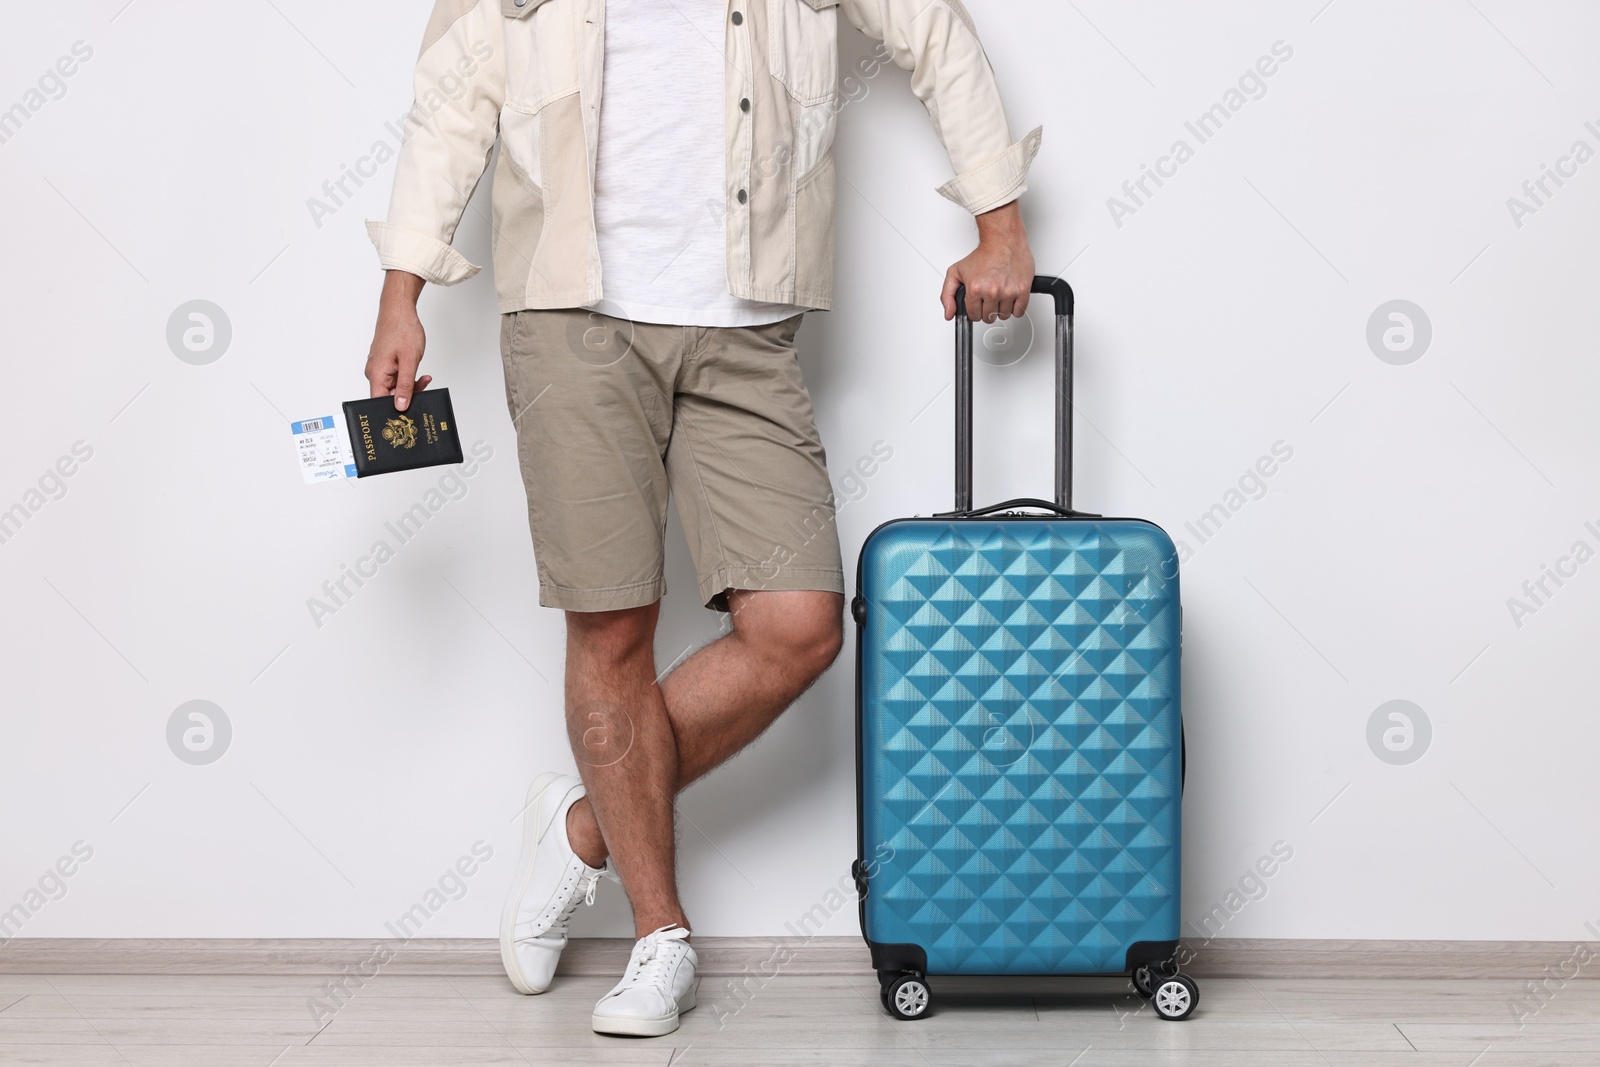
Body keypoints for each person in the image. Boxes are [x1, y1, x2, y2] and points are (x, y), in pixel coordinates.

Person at [363, 0, 1039, 1038]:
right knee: (611, 621)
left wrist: (999, 221)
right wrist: (401, 290)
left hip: (748, 322)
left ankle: (583, 824)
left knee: (799, 624)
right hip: (568, 317)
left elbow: (932, 30)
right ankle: (659, 934)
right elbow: (454, 98)